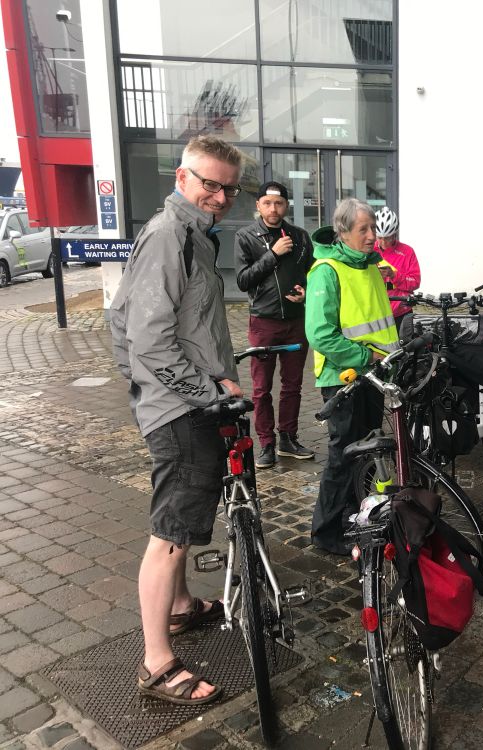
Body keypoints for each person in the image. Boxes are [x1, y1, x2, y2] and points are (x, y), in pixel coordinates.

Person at [109, 135, 246, 706]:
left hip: (178, 403)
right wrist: (206, 391)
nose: (218, 195)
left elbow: (121, 321)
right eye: (209, 182)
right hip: (184, 409)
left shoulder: (193, 236)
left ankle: (185, 607)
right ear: (182, 177)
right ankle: (156, 663)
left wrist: (145, 389)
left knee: (183, 524)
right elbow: (147, 340)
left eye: (228, 187)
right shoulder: (170, 236)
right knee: (169, 535)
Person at [306, 198, 400, 555]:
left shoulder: (370, 264)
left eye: (374, 228)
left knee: (365, 451)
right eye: (363, 229)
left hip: (373, 376)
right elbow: (320, 334)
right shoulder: (326, 271)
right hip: (343, 378)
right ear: (343, 232)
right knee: (343, 455)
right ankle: (327, 531)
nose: (372, 236)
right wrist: (365, 355)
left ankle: (352, 515)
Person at [234, 181, 315, 468]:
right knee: (261, 388)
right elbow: (243, 280)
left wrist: (307, 291)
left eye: (278, 203)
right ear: (258, 205)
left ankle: (288, 439)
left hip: (295, 322)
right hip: (264, 323)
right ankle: (266, 443)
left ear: (286, 205)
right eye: (267, 203)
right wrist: (273, 254)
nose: (273, 208)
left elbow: (312, 273)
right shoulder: (246, 236)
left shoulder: (301, 237)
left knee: (292, 385)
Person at [373, 206, 421, 341]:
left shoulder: (407, 252)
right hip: (376, 312)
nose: (382, 242)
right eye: (379, 237)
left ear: (395, 234)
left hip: (401, 312)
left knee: (404, 353)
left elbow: (415, 282)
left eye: (387, 238)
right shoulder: (369, 250)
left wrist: (394, 275)